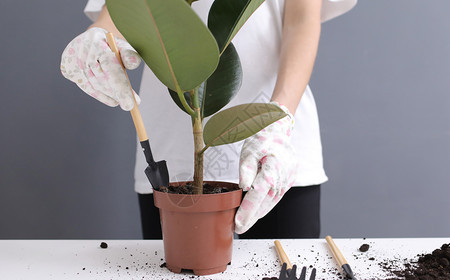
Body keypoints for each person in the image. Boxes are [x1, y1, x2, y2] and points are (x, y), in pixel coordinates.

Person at [61, 0, 357, 239]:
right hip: (171, 147)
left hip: (272, 141)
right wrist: (97, 37)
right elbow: (126, 9)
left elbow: (302, 19)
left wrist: (279, 118)